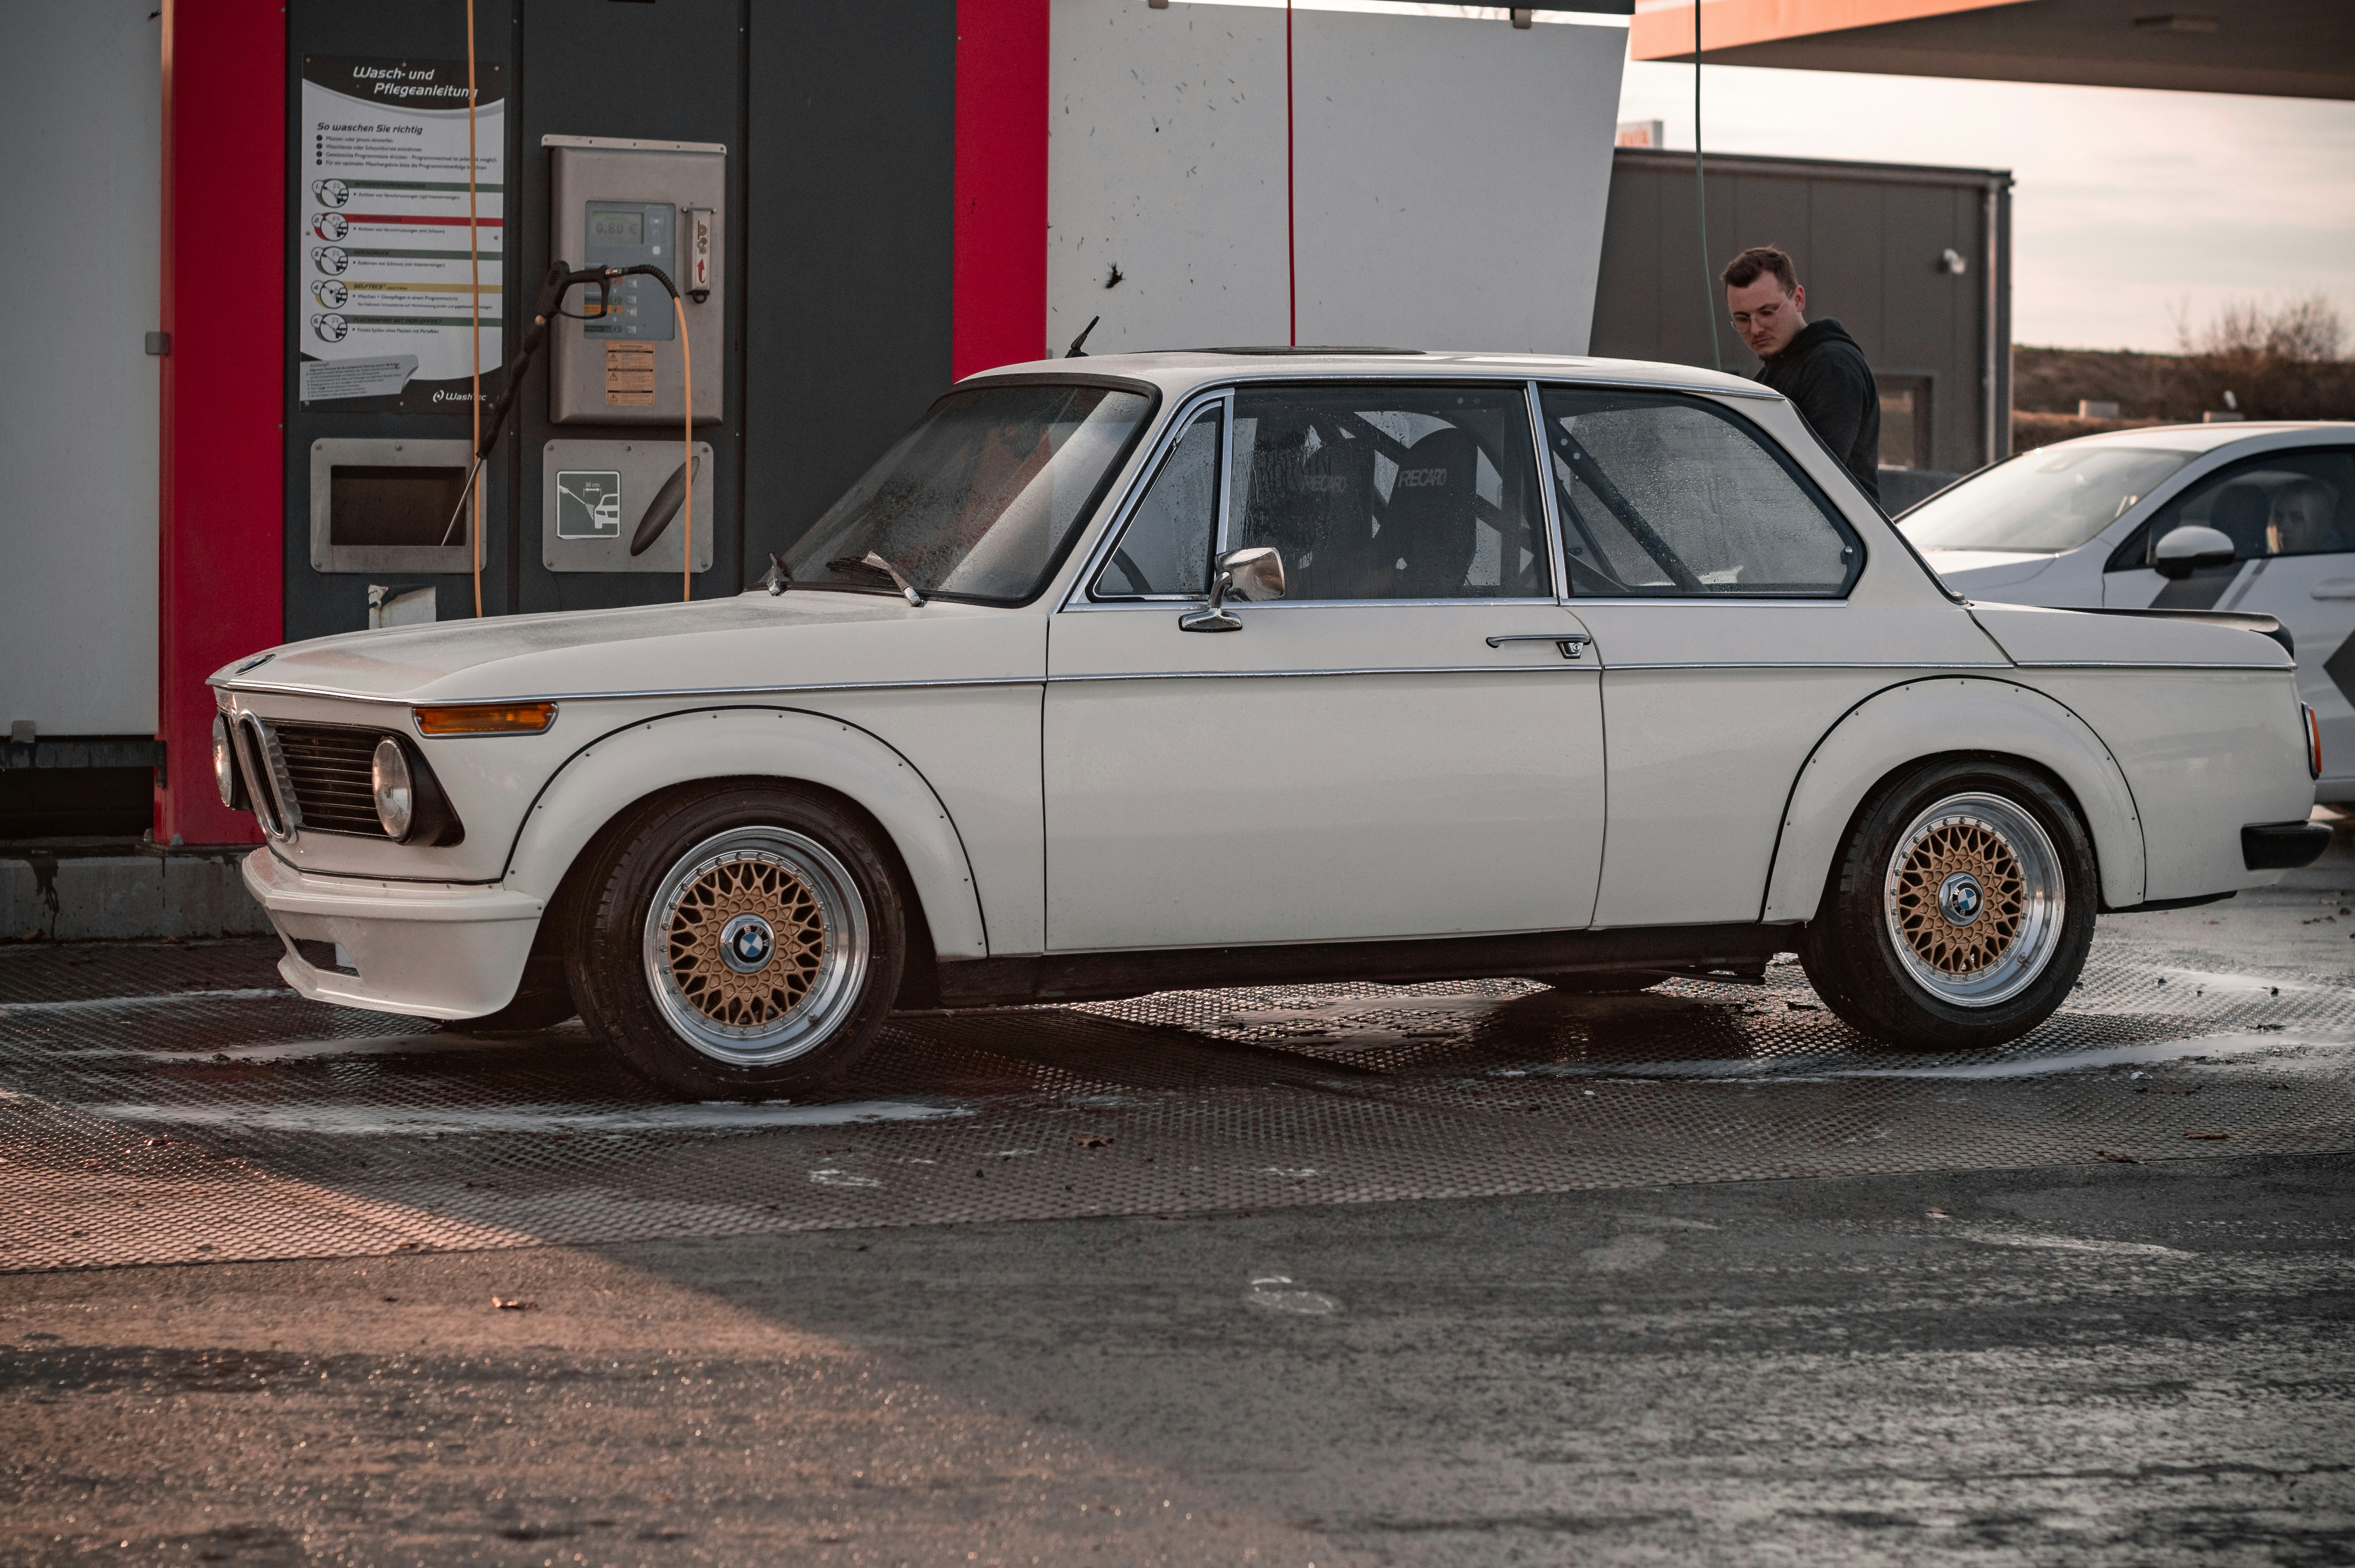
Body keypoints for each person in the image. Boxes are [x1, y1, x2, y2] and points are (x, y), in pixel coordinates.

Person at [1722, 246, 1881, 504]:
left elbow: (1816, 476)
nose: (1755, 328)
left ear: (1798, 299)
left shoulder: (1832, 366)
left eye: (1767, 312)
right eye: (1742, 318)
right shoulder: (1770, 376)